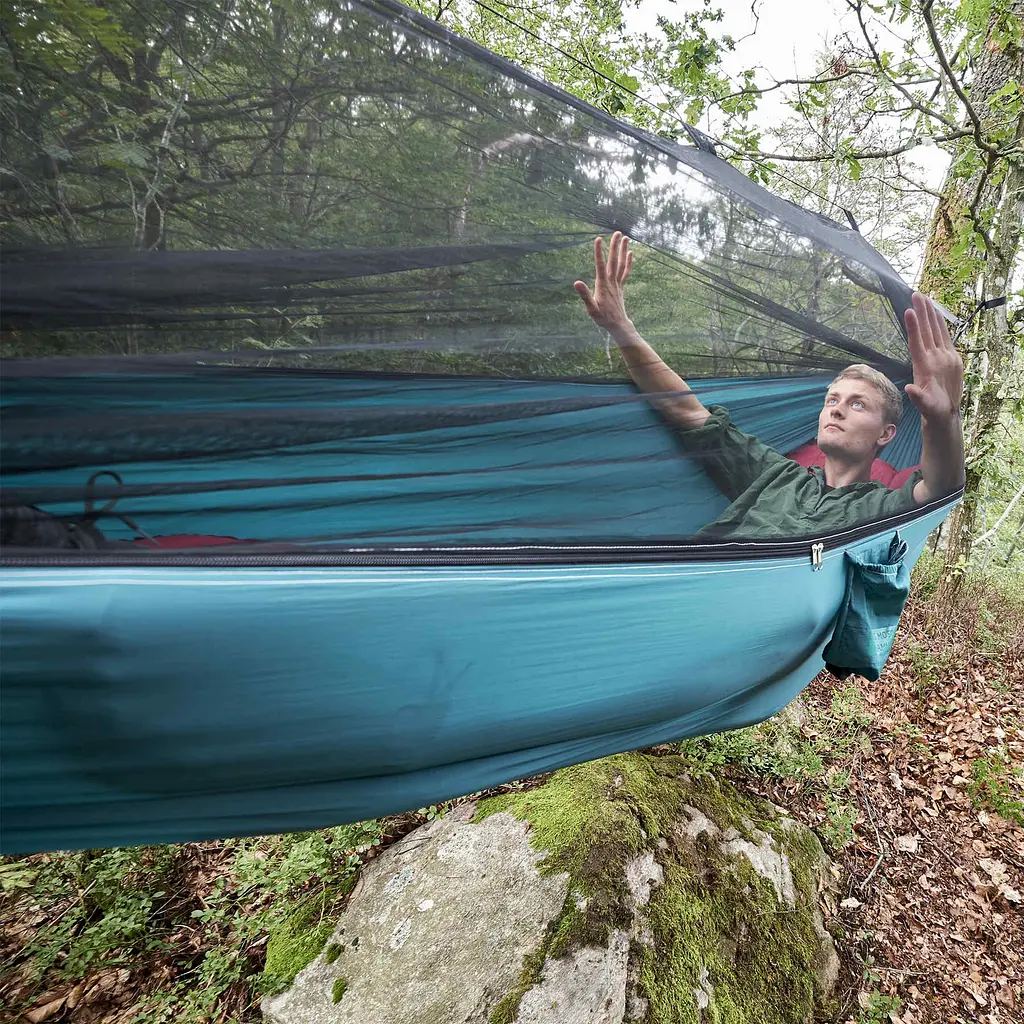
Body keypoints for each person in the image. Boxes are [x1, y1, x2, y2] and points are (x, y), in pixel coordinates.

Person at [574, 232, 966, 539]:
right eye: (832, 399)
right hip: (690, 582)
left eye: (857, 404)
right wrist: (620, 328)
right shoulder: (775, 475)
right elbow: (687, 410)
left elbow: (938, 488)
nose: (837, 408)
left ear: (887, 433)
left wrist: (942, 419)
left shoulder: (879, 508)